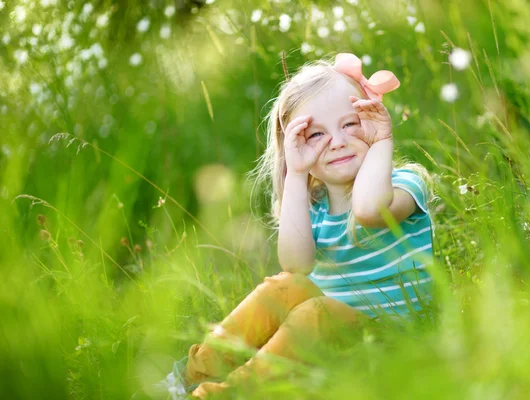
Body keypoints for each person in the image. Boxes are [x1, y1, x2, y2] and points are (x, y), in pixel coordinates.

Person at [162, 53, 435, 399]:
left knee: (315, 312)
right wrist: (297, 173)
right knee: (283, 288)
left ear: (372, 118)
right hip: (330, 344)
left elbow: (367, 210)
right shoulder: (315, 209)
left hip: (395, 345)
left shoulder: (406, 184)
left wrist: (381, 141)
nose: (336, 141)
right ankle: (186, 380)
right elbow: (295, 266)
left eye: (350, 124)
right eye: (316, 134)